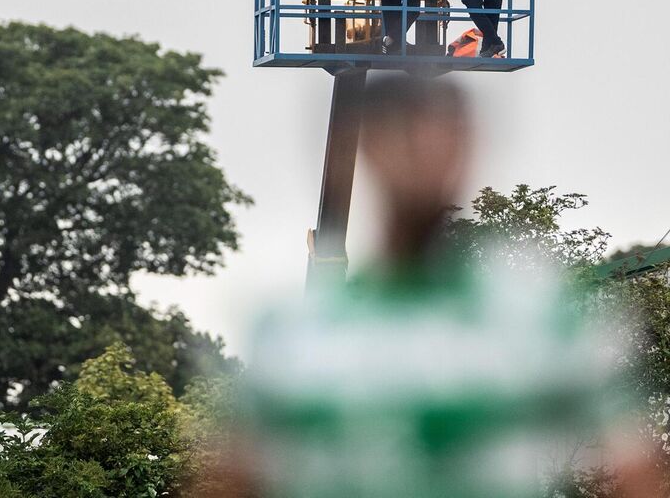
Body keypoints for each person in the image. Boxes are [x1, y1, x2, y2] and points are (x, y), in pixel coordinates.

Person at [218, 74, 663, 498]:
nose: (427, 157)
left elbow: (635, 469)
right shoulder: (290, 333)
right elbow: (234, 475)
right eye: (407, 134)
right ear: (366, 146)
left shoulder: (549, 319)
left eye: (448, 136)